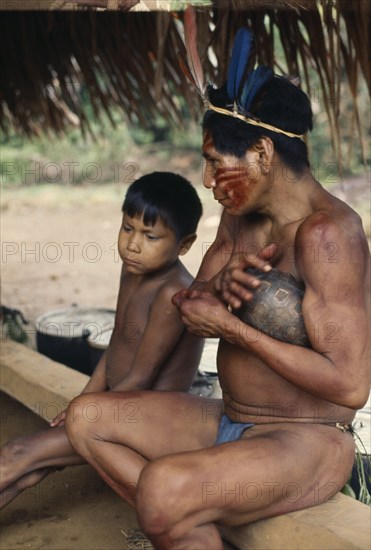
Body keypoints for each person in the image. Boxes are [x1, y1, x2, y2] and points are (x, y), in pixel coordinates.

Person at [64, 37, 370, 549]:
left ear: (263, 152)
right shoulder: (238, 214)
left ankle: (177, 510)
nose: (207, 180)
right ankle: (194, 523)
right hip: (228, 418)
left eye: (213, 161)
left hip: (305, 438)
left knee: (160, 492)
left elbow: (350, 387)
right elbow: (190, 305)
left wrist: (232, 327)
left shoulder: (328, 237)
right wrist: (217, 293)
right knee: (87, 419)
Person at [0, 171, 204, 508]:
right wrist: (84, 400)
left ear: (184, 244)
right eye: (128, 229)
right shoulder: (134, 267)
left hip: (147, 420)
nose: (133, 245)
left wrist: (85, 413)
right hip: (113, 407)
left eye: (151, 236)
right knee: (31, 466)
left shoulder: (173, 293)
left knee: (19, 452)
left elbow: (142, 378)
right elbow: (119, 341)